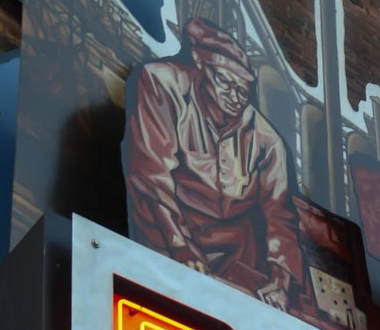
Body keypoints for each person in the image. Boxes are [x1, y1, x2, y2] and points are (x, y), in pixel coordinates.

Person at [123, 17, 302, 309]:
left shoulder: (267, 140)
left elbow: (279, 215)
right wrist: (179, 245)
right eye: (224, 83)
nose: (233, 98)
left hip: (237, 258)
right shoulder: (161, 82)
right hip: (168, 233)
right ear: (200, 65)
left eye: (242, 92)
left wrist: (280, 282)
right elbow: (151, 173)